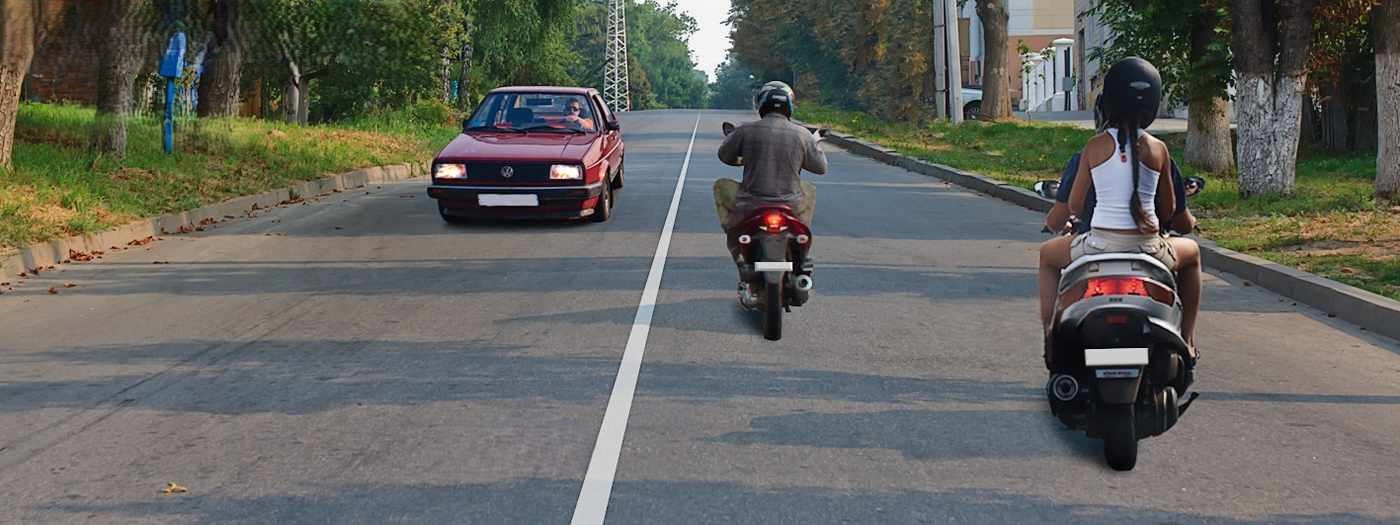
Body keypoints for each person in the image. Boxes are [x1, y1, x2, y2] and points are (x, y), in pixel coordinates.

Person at [1035, 57, 1202, 363]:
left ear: (1108, 103)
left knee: (1047, 256)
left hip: (1099, 246)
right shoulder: (1159, 149)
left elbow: (1073, 204)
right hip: (1150, 249)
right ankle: (1188, 338)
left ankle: (1049, 335)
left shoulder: (1094, 146)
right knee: (1192, 255)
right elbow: (1170, 209)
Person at [715, 81, 827, 301]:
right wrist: (815, 144)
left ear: (762, 105)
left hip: (751, 204)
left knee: (721, 187)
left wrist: (743, 157)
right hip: (790, 206)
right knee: (808, 193)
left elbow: (725, 156)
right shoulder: (802, 134)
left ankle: (739, 254)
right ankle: (801, 258)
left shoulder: (746, 130)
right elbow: (820, 168)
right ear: (790, 106)